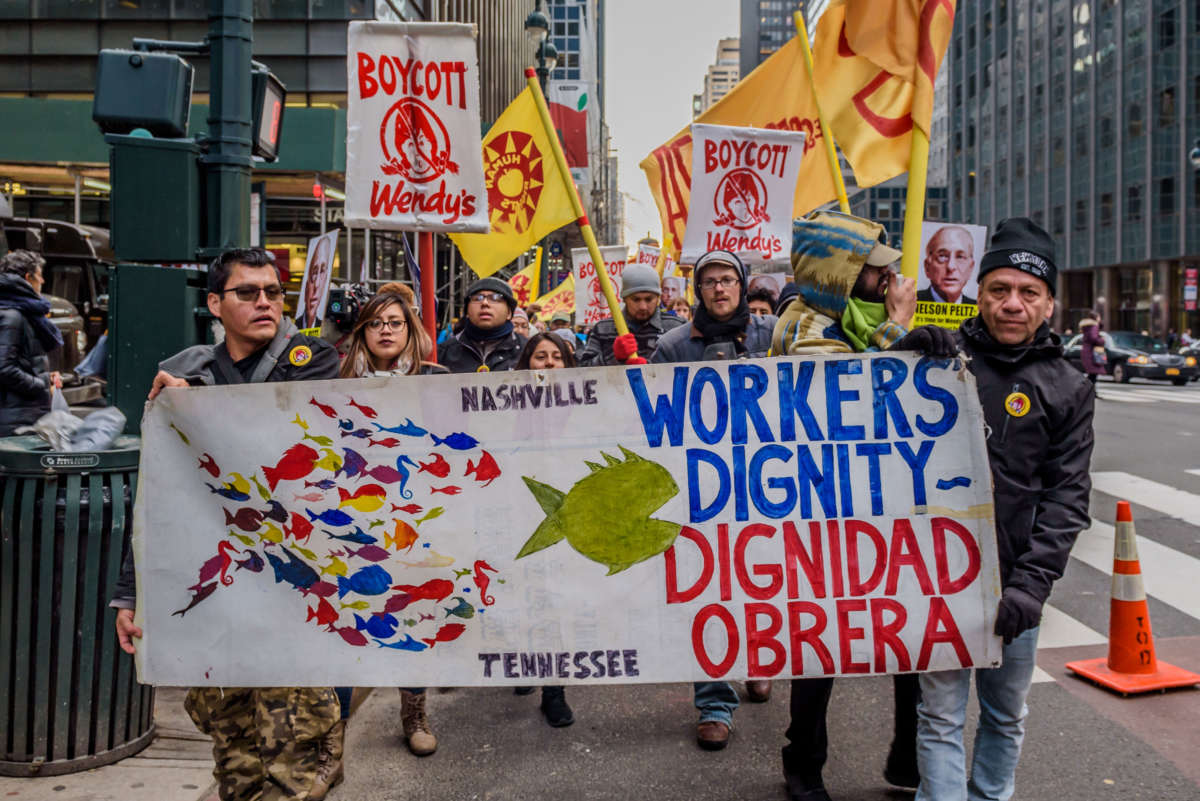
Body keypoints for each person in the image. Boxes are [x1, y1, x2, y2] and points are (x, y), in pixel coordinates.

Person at [111, 247, 341, 801]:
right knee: (233, 751)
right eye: (248, 292)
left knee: (294, 753)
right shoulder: (185, 370)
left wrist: (199, 408)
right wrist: (129, 592)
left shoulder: (312, 358)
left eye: (273, 292)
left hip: (292, 586)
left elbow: (279, 437)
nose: (265, 302)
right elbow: (161, 491)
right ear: (215, 303)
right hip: (220, 589)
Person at [772, 210, 957, 801]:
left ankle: (907, 756)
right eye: (877, 272)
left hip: (885, 510)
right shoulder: (800, 326)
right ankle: (803, 764)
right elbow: (854, 401)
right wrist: (899, 330)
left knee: (907, 634)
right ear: (842, 274)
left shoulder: (864, 317)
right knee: (821, 642)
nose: (890, 281)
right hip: (821, 513)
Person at [916, 217, 1094, 801]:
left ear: (1048, 305)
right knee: (939, 718)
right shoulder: (940, 360)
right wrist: (897, 359)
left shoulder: (1068, 385)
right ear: (980, 293)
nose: (1012, 304)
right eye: (999, 290)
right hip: (939, 578)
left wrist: (1031, 586)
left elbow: (1067, 496)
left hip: (1016, 585)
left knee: (1005, 714)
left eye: (1028, 292)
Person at [649, 249, 775, 751]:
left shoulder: (774, 335)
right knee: (711, 595)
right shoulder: (674, 345)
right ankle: (715, 703)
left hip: (767, 486)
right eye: (709, 282)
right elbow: (650, 412)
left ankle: (763, 660)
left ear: (742, 287)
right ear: (696, 291)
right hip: (701, 491)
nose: (719, 289)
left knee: (764, 583)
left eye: (728, 280)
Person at [509, 331, 578, 727]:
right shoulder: (506, 408)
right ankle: (523, 661)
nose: (549, 363)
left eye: (557, 357)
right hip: (519, 509)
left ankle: (554, 689)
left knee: (555, 599)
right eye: (540, 356)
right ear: (525, 364)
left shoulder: (587, 407)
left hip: (566, 512)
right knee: (522, 591)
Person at [0, 249, 62, 435]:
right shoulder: (13, 316)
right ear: (28, 278)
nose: (42, 281)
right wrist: (41, 383)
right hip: (15, 420)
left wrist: (45, 374)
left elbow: (20, 360)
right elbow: (3, 368)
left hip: (19, 414)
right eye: (40, 276)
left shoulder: (19, 312)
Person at [576, 264, 685, 366]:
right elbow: (583, 372)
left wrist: (651, 370)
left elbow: (691, 364)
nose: (643, 306)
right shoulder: (603, 329)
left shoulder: (676, 327)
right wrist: (613, 356)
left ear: (658, 297)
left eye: (649, 299)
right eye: (636, 299)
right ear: (624, 298)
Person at [438, 277, 525, 373]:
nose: (485, 303)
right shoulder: (443, 353)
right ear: (466, 312)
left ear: (509, 313)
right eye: (477, 298)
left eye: (495, 298)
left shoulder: (527, 350)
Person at [917, 225, 977, 304]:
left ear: (971, 268)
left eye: (960, 257)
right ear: (927, 267)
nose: (950, 266)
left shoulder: (979, 309)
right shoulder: (910, 304)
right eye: (942, 256)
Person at [302, 235, 334, 329]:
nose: (316, 285)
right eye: (314, 272)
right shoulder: (295, 330)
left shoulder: (323, 326)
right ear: (306, 284)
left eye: (322, 271)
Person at [1077, 311, 1106, 390]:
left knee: (1092, 374)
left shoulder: (1087, 326)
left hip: (1087, 351)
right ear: (1096, 318)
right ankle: (1085, 390)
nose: (1100, 319)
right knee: (1093, 374)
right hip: (1091, 353)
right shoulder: (1094, 326)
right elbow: (1093, 338)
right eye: (1099, 317)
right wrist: (1101, 340)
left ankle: (1089, 391)